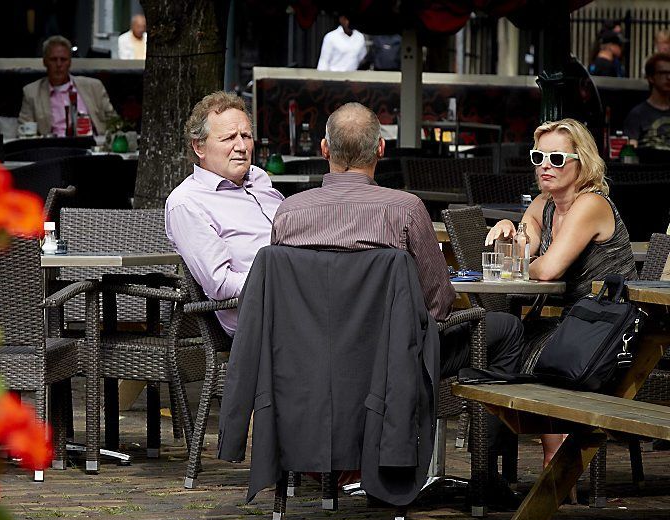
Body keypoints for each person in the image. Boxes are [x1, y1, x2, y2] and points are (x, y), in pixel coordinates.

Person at [272, 102, 523, 492]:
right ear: (381, 150)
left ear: (324, 149)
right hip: (391, 365)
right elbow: (437, 302)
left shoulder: (288, 213)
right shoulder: (405, 210)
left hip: (311, 362)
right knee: (506, 329)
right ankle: (487, 477)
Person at [486, 118, 637, 473]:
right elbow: (522, 255)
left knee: (517, 350)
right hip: (573, 322)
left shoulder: (591, 205)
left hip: (608, 326)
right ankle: (497, 472)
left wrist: (526, 259)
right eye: (539, 157)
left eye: (557, 159)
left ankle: (555, 466)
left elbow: (548, 269)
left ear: (581, 162)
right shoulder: (544, 204)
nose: (545, 167)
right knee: (499, 346)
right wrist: (511, 233)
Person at [165, 91, 283, 336]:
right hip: (260, 314)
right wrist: (280, 280)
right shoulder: (187, 202)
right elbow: (219, 283)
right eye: (229, 138)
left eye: (246, 136)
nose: (241, 147)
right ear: (199, 146)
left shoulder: (259, 179)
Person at [18, 35, 118, 137]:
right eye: (53, 59)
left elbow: (114, 123)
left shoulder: (94, 87)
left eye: (63, 59)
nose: (58, 64)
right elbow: (24, 131)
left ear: (70, 62)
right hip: (53, 148)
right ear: (45, 62)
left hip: (92, 146)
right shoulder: (31, 92)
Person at [623, 52, 670, 154]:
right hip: (649, 168)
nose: (669, 77)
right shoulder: (637, 114)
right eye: (663, 73)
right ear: (650, 78)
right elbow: (630, 151)